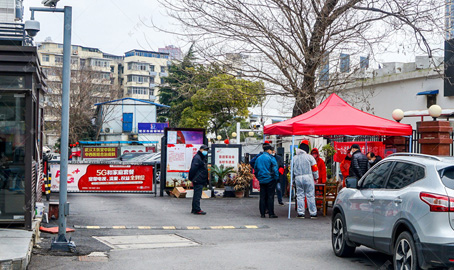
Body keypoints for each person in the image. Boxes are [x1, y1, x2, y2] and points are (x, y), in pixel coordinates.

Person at [293, 141, 319, 219]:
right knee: (310, 195)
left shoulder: (294, 158)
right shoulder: (310, 157)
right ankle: (313, 213)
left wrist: (292, 180)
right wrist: (316, 177)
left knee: (300, 195)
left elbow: (291, 170)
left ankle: (301, 213)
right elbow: (314, 168)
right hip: (308, 177)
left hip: (298, 178)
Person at [254, 144, 279, 218]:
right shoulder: (271, 158)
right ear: (268, 150)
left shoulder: (258, 158)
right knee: (270, 196)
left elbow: (255, 169)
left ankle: (262, 213)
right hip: (270, 179)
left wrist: (259, 177)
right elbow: (275, 169)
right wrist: (276, 178)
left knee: (262, 197)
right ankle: (271, 213)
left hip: (262, 180)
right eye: (271, 150)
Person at [188, 145, 209, 215]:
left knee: (197, 194)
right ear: (200, 150)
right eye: (204, 150)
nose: (205, 151)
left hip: (199, 179)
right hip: (198, 179)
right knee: (197, 195)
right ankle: (197, 209)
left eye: (206, 150)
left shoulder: (201, 157)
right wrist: (191, 178)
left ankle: (195, 209)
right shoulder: (197, 158)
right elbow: (193, 169)